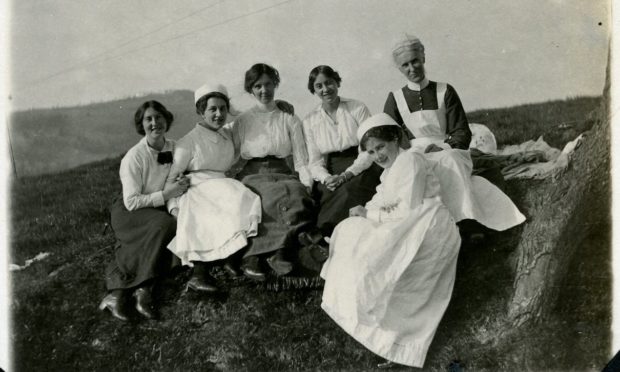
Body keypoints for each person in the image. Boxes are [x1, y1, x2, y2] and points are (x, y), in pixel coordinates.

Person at [321, 113, 461, 368]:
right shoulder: (391, 169)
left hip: (427, 225)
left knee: (386, 263)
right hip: (408, 222)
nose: (378, 156)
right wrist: (366, 211)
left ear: (396, 138)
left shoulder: (410, 161)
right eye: (372, 152)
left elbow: (405, 208)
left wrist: (369, 214)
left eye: (381, 147)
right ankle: (381, 333)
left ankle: (397, 341)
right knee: (353, 234)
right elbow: (384, 198)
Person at [383, 34, 525, 233]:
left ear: (423, 57)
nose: (412, 68)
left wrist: (443, 146)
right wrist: (408, 151)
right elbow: (388, 136)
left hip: (448, 147)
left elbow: (461, 132)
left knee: (449, 161)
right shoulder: (395, 98)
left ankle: (464, 221)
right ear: (399, 68)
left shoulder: (444, 91)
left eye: (415, 61)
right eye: (405, 65)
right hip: (414, 153)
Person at [165, 83, 262, 293]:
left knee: (243, 198)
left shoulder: (227, 134)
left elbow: (249, 117)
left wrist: (278, 104)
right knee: (203, 212)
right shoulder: (187, 142)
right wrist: (173, 206)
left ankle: (231, 257)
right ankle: (198, 274)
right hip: (195, 187)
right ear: (201, 111)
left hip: (223, 183)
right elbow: (172, 178)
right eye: (212, 109)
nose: (219, 114)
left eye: (223, 109)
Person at [100, 101, 189, 321]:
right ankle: (143, 288)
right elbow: (131, 201)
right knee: (166, 226)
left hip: (157, 206)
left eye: (158, 117)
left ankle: (120, 295)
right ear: (142, 125)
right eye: (148, 119)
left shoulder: (175, 147)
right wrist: (167, 195)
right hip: (129, 211)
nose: (154, 123)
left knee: (174, 227)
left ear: (167, 119)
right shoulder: (134, 157)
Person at [231, 63, 316, 281]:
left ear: (275, 85)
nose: (264, 90)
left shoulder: (289, 118)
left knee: (296, 194)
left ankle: (278, 253)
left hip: (283, 171)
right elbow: (229, 154)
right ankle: (255, 256)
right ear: (251, 89)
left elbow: (300, 157)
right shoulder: (242, 121)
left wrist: (307, 183)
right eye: (258, 86)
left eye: (268, 84)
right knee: (264, 199)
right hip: (253, 174)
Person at [302, 65, 382, 239]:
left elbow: (369, 150)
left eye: (329, 83)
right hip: (331, 169)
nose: (325, 89)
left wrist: (347, 175)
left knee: (347, 191)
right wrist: (326, 178)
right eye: (319, 86)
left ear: (337, 82)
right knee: (325, 192)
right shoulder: (310, 120)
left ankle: (321, 233)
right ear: (313, 90)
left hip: (363, 164)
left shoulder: (357, 107)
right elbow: (314, 161)